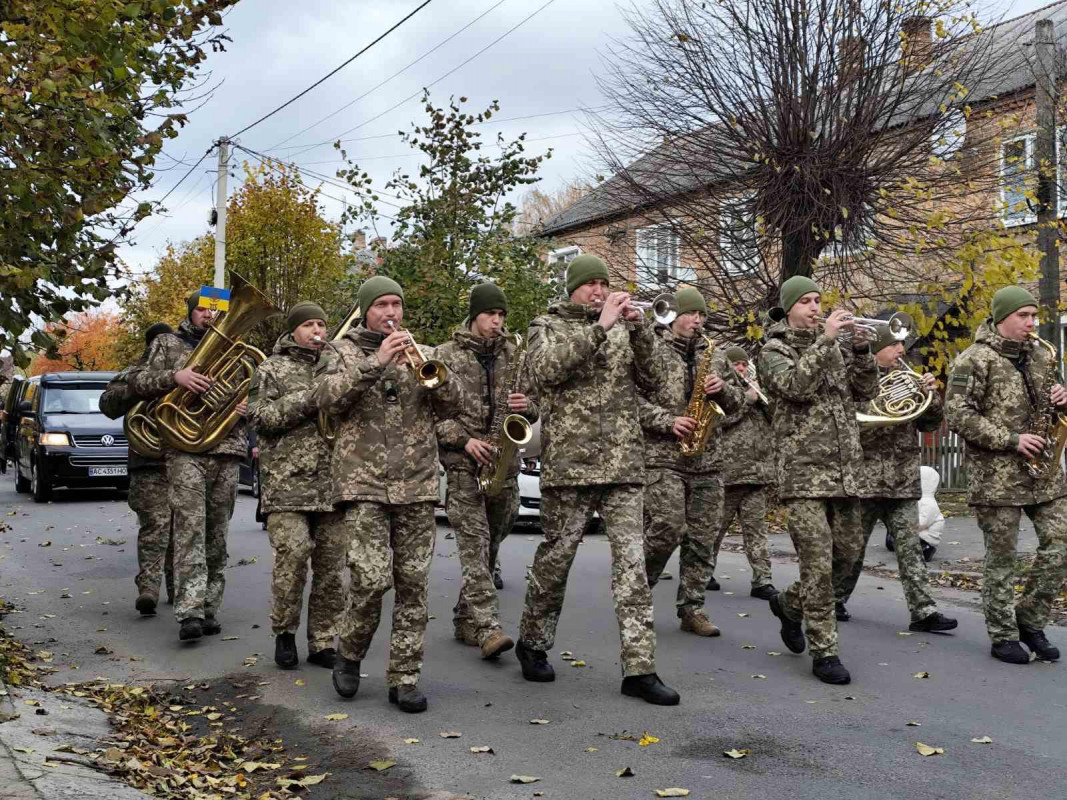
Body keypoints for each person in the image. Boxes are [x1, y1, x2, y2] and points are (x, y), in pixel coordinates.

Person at [516, 254, 680, 705]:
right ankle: (532, 641)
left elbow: (661, 385)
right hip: (571, 463)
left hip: (624, 465)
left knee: (631, 566)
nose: (600, 290)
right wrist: (600, 326)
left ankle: (640, 668)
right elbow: (545, 373)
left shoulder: (627, 329)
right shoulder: (545, 325)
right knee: (557, 558)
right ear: (573, 288)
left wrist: (642, 329)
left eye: (605, 284)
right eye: (591, 284)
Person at [314, 276, 458, 713]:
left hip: (416, 484)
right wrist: (374, 363)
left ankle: (405, 677)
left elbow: (454, 404)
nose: (391, 312)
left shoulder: (424, 354)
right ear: (365, 311)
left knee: (414, 584)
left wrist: (438, 376)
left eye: (397, 304)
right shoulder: (339, 352)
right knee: (371, 579)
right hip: (364, 485)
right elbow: (324, 399)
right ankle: (351, 652)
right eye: (382, 305)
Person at [757, 276, 878, 685]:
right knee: (818, 563)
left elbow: (866, 391)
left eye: (817, 300)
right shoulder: (774, 350)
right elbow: (795, 387)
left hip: (844, 473)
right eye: (806, 302)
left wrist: (861, 350)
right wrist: (827, 341)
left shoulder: (838, 348)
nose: (814, 307)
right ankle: (825, 651)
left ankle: (790, 606)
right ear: (789, 308)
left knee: (848, 556)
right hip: (803, 474)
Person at [945, 286, 1067, 664]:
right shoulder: (973, 360)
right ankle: (1002, 635)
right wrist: (1010, 439)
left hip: (1043, 473)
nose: (1032, 323)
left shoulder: (1042, 356)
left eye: (1034, 316)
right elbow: (957, 414)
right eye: (1023, 316)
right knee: (1002, 558)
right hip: (996, 478)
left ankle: (1030, 621)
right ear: (1001, 318)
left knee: (1061, 543)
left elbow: (1053, 405)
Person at [128, 291, 247, 642]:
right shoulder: (168, 343)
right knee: (189, 527)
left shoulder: (235, 347)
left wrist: (245, 406)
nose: (210, 315)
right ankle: (189, 611)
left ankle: (211, 608)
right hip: (184, 448)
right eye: (203, 309)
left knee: (217, 533)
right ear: (191, 312)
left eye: (216, 310)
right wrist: (174, 378)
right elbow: (136, 381)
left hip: (226, 448)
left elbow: (254, 393)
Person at [433, 283, 539, 661]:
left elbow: (534, 407)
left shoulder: (515, 354)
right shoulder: (443, 356)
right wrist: (464, 441)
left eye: (502, 315)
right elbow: (430, 416)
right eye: (491, 314)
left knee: (490, 547)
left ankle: (465, 618)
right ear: (475, 315)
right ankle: (488, 627)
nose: (497, 321)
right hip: (464, 466)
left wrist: (527, 405)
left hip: (504, 466)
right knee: (474, 549)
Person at [834, 325, 957, 633]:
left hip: (902, 480)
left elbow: (930, 425)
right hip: (866, 480)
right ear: (876, 350)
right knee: (852, 548)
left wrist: (932, 397)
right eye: (894, 346)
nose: (901, 350)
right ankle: (833, 599)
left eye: (902, 345)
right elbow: (849, 424)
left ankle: (923, 611)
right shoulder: (856, 380)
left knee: (910, 548)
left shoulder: (910, 381)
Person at [638, 287, 743, 637]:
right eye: (690, 313)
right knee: (668, 525)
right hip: (663, 457)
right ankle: (638, 592)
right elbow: (629, 399)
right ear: (672, 315)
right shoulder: (649, 347)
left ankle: (692, 608)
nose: (697, 320)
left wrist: (723, 391)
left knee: (702, 537)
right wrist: (667, 421)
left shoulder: (715, 355)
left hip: (707, 458)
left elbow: (740, 404)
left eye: (702, 315)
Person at [248, 302, 347, 671]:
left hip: (333, 484)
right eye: (308, 324)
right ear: (294, 331)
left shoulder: (338, 365)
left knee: (332, 567)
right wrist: (311, 397)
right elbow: (259, 417)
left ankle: (323, 640)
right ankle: (284, 632)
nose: (317, 330)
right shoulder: (271, 368)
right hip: (287, 485)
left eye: (322, 323)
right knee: (292, 557)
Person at [99, 322, 175, 615]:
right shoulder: (133, 373)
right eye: (160, 345)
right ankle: (149, 589)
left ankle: (179, 588)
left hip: (184, 459)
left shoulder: (186, 371)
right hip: (147, 463)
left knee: (183, 528)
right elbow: (107, 403)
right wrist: (138, 389)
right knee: (155, 526)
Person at [708, 345, 777, 600]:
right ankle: (703, 572)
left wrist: (762, 397)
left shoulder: (756, 390)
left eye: (744, 364)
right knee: (716, 529)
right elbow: (719, 422)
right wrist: (746, 399)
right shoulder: (718, 391)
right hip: (729, 474)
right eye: (736, 364)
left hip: (757, 474)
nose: (741, 368)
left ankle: (762, 580)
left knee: (757, 530)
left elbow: (778, 418)